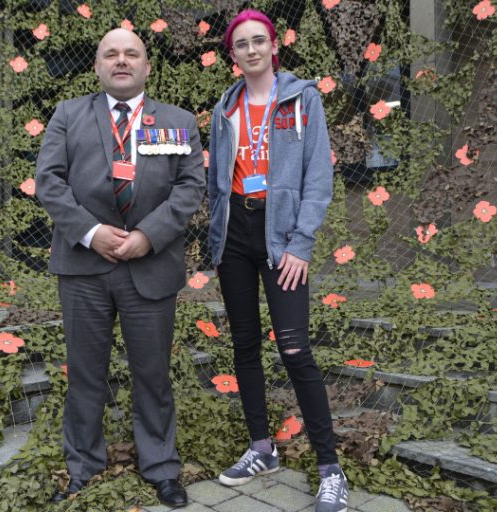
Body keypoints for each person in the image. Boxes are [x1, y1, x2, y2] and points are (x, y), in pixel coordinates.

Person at [35, 27, 205, 508]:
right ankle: (83, 466)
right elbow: (48, 182)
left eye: (132, 53)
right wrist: (92, 232)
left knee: (152, 374)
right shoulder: (68, 115)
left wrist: (146, 237)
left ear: (148, 66)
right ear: (97, 66)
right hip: (83, 265)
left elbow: (190, 188)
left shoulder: (178, 121)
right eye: (111, 54)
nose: (122, 61)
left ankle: (161, 468)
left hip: (150, 266)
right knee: (86, 373)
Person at [207, 9, 347, 512]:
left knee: (293, 349)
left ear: (273, 46)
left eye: (258, 41)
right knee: (244, 344)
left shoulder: (302, 99)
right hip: (236, 235)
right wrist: (216, 239)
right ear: (232, 55)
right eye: (241, 44)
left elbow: (318, 179)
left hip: (281, 234)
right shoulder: (226, 104)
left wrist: (301, 243)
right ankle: (261, 449)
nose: (250, 50)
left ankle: (331, 469)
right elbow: (217, 181)